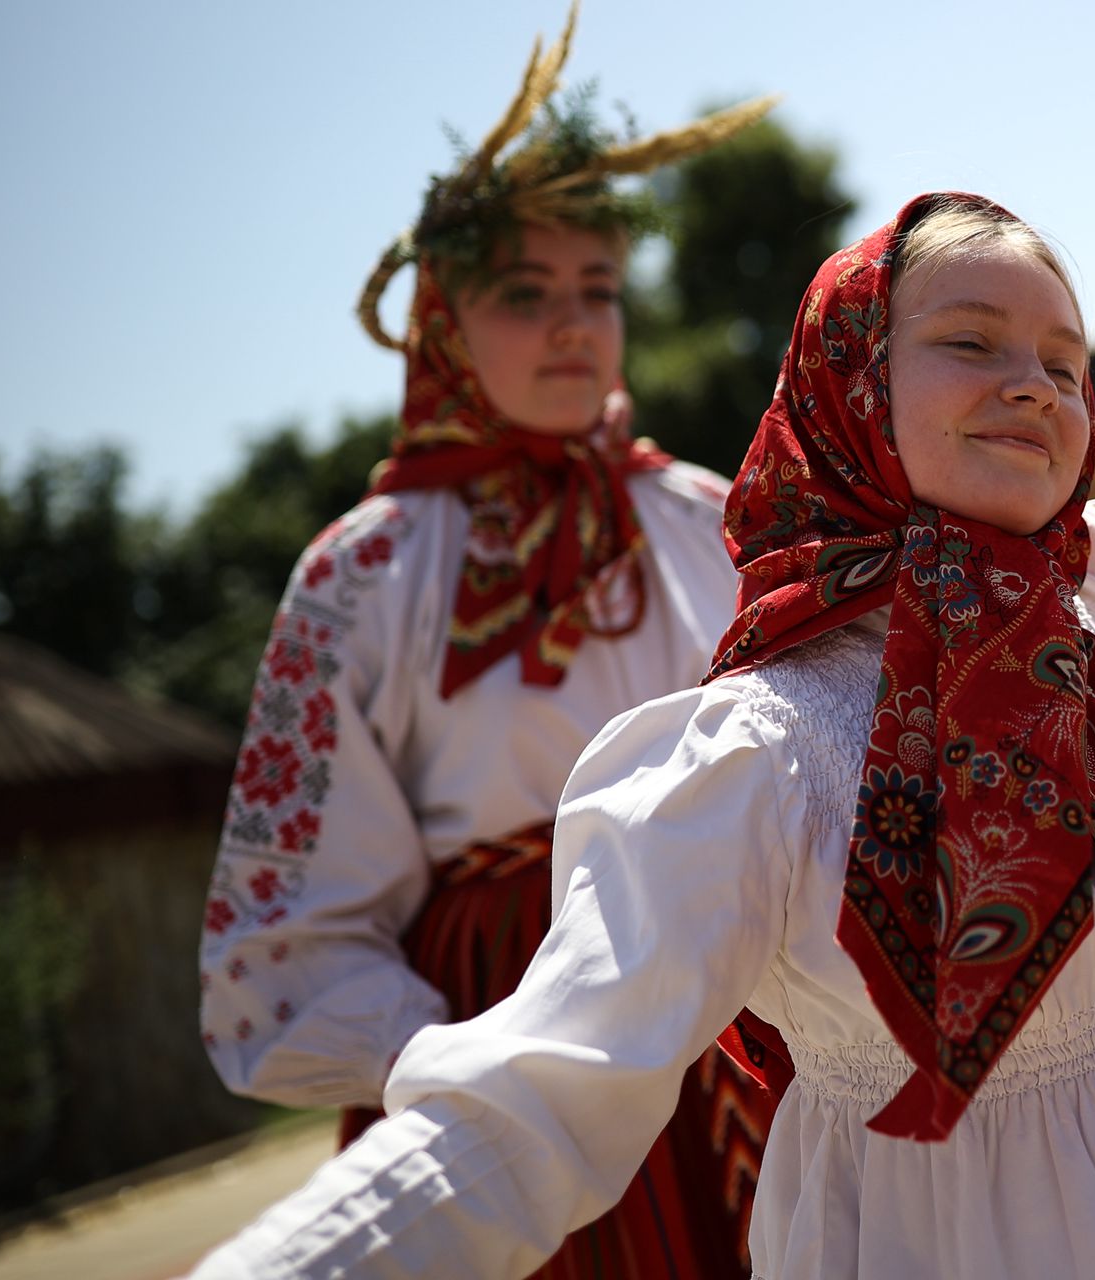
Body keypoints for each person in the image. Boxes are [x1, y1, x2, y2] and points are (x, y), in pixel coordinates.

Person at [190, 64, 1095, 1280]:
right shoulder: (760, 749)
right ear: (848, 386)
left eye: (1064, 362)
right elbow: (540, 1092)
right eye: (970, 341)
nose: (1033, 381)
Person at [196, 11, 777, 1276]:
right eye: (526, 294)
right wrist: (456, 1056)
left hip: (739, 1012)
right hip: (500, 1040)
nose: (573, 325)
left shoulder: (708, 517)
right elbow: (287, 927)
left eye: (599, 291)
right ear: (444, 321)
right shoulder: (363, 571)